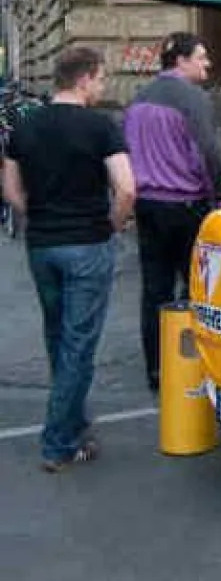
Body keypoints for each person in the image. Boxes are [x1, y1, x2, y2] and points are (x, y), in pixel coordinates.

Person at [1, 47, 136, 472]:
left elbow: (9, 190)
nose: (103, 86)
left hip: (42, 245)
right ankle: (58, 442)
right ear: (84, 78)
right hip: (87, 243)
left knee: (58, 336)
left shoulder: (26, 125)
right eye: (101, 78)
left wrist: (36, 215)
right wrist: (112, 225)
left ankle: (73, 424)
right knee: (79, 344)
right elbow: (127, 188)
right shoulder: (100, 127)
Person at [123, 32, 221, 392]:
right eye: (201, 57)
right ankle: (194, 362)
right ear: (181, 61)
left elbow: (125, 152)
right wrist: (220, 198)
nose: (207, 63)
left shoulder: (139, 98)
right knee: (199, 287)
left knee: (155, 289)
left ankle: (157, 367)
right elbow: (208, 153)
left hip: (148, 204)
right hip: (186, 206)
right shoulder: (193, 98)